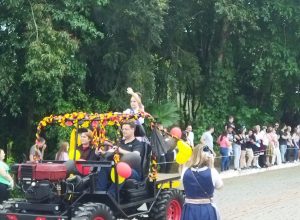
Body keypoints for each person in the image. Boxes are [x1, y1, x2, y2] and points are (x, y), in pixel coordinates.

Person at [97, 121, 143, 191]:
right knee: (104, 166)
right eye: (123, 129)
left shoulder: (138, 144)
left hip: (133, 171)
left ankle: (111, 195)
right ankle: (100, 192)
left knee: (121, 168)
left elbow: (136, 155)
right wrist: (102, 152)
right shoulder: (120, 143)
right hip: (117, 167)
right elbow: (111, 151)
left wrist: (121, 151)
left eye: (126, 129)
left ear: (133, 129)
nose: (123, 131)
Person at [181, 144, 223, 220]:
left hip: (189, 208)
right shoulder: (212, 172)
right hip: (206, 209)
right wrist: (211, 166)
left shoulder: (185, 171)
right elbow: (219, 186)